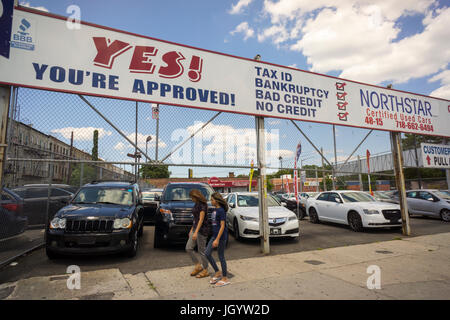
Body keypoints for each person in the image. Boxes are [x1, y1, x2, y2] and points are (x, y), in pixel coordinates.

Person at [205, 192, 230, 287]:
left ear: (216, 200)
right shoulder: (215, 210)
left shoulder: (221, 211)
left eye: (212, 200)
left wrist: (217, 239)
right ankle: (217, 272)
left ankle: (225, 278)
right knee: (207, 253)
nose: (211, 201)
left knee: (221, 256)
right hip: (214, 236)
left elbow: (222, 226)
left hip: (221, 237)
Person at [186, 189, 210, 278]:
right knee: (188, 248)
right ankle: (198, 266)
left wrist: (196, 232)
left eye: (192, 197)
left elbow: (201, 219)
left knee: (201, 251)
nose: (191, 199)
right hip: (195, 229)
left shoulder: (203, 205)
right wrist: (192, 229)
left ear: (196, 196)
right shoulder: (196, 204)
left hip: (202, 230)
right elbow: (195, 219)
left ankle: (206, 270)